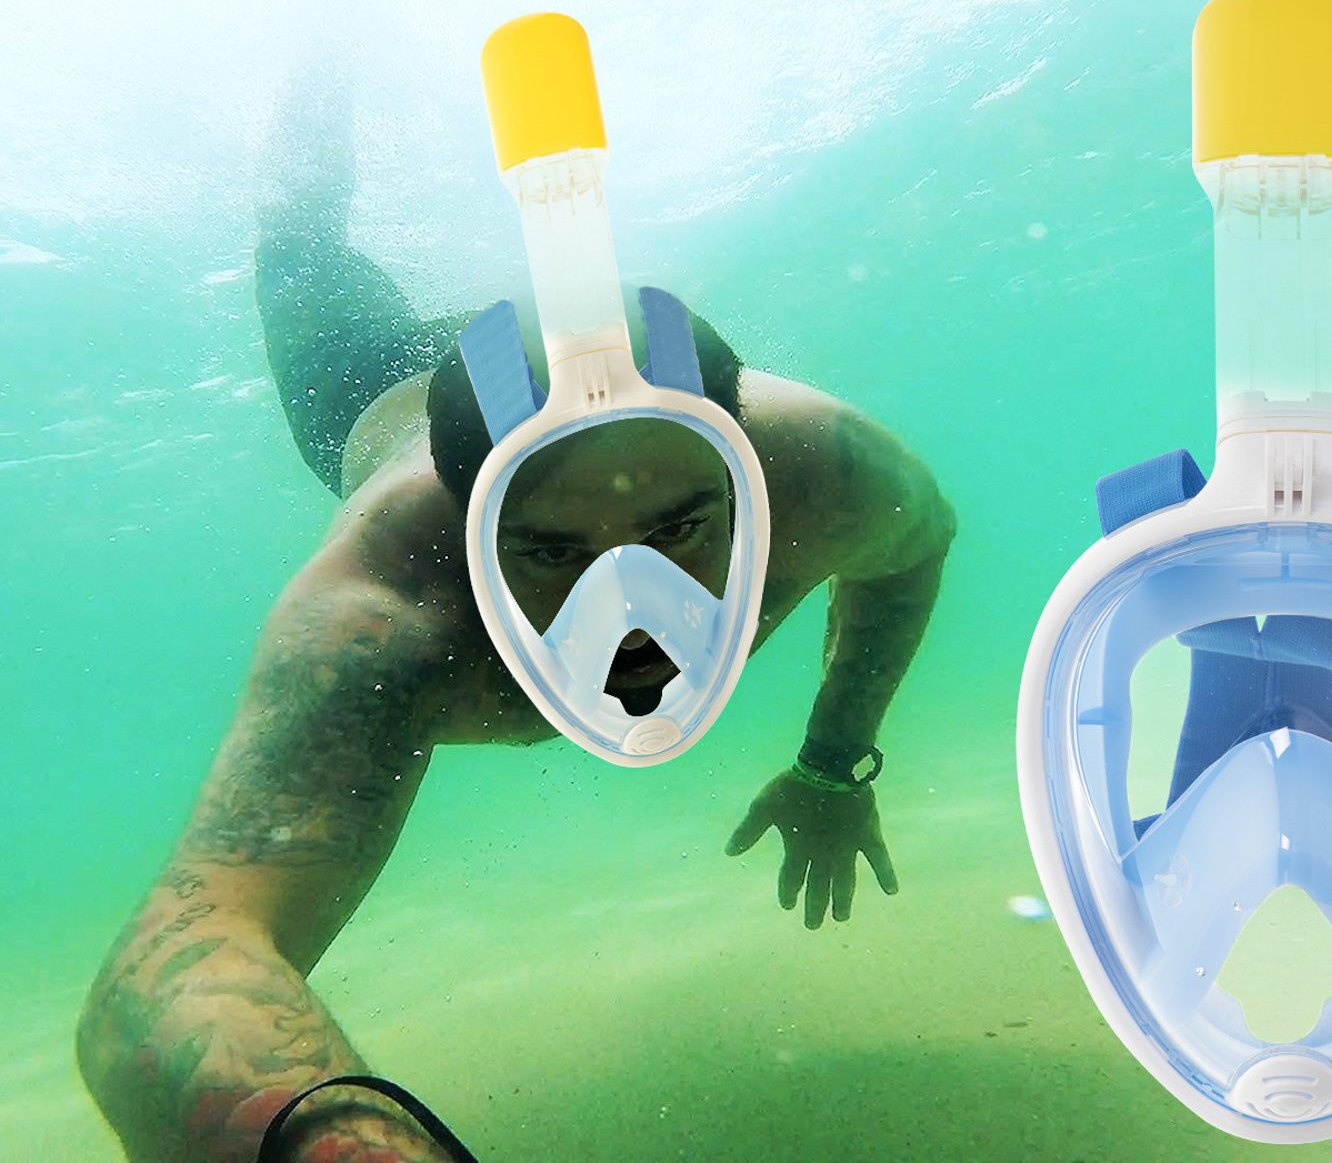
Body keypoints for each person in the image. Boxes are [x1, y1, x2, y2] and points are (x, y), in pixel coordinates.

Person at [75, 85, 956, 1162]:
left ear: (750, 479)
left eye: (680, 528)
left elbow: (914, 551)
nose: (633, 609)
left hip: (531, 377)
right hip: (359, 383)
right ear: (470, 536)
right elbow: (170, 966)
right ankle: (318, 85)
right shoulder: (389, 609)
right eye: (550, 551)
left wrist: (832, 762)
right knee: (301, 243)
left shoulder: (821, 472)